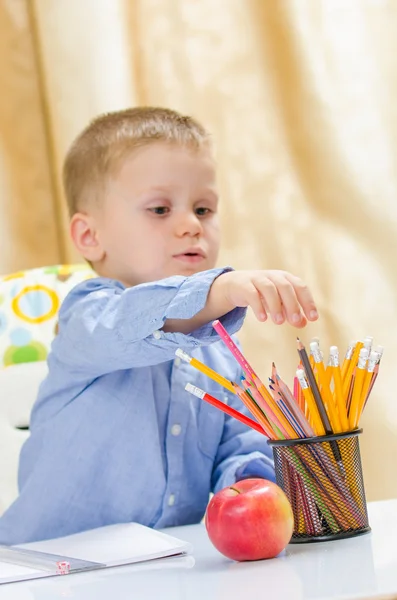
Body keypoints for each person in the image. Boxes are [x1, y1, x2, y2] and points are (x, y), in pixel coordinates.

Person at [0, 107, 318, 543]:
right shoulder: (86, 317)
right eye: (160, 209)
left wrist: (268, 469)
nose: (191, 226)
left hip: (164, 568)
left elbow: (239, 447)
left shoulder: (220, 351)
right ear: (90, 237)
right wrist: (219, 290)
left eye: (203, 208)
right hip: (45, 572)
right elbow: (132, 324)